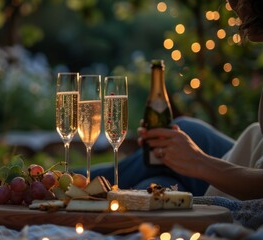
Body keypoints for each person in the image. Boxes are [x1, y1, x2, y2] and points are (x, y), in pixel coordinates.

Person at [87, 0, 263, 201]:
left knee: (153, 187)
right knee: (163, 164)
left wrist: (197, 161)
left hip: (251, 172)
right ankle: (75, 182)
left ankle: (73, 182)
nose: (231, 4)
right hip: (253, 148)